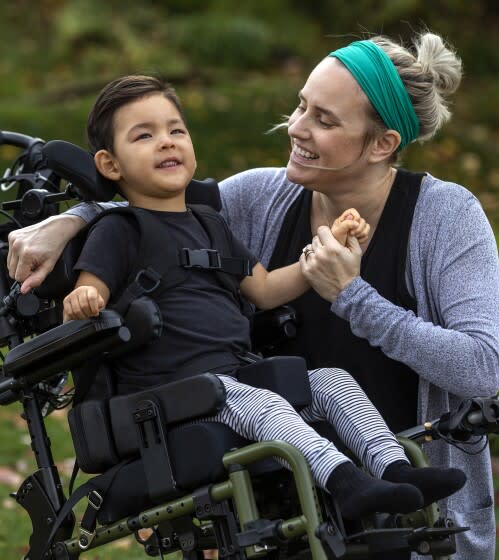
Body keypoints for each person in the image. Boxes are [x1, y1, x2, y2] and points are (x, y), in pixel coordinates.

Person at [7, 32, 499, 560]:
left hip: (415, 531)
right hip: (283, 514)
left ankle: (392, 469)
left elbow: (480, 369)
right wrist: (70, 219)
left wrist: (353, 296)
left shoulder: (446, 218)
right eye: (301, 105)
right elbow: (153, 214)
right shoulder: (260, 197)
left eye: (325, 120)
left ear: (382, 144)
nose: (295, 127)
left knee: (333, 386)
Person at [60, 74, 465, 522]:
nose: (167, 143)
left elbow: (267, 289)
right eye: (144, 135)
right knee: (265, 402)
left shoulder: (211, 224)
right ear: (111, 165)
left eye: (176, 130)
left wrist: (327, 247)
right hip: (177, 394)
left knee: (331, 380)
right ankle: (345, 483)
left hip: (234, 375)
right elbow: (87, 289)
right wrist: (84, 298)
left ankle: (396, 469)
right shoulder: (119, 230)